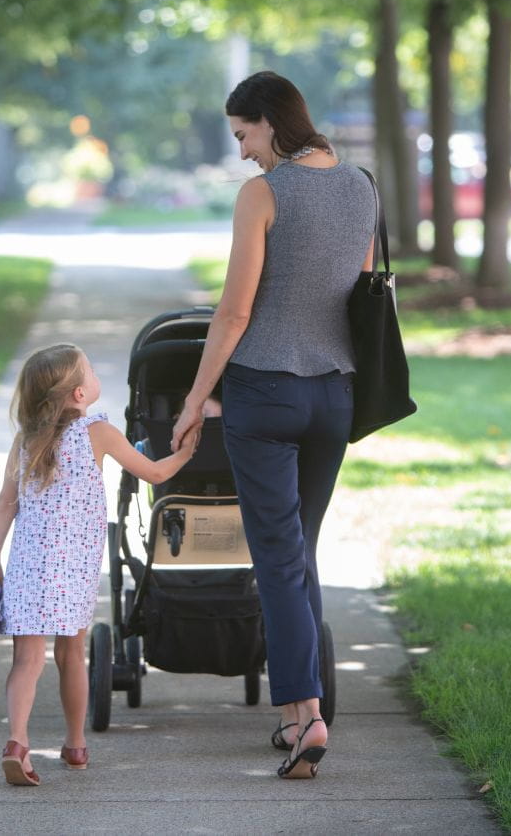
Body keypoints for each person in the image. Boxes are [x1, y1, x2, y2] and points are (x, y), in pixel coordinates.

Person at [171, 70, 377, 780]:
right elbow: (359, 290)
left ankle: (305, 711)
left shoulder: (263, 194)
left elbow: (232, 312)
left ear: (267, 120)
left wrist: (196, 397)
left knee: (279, 562)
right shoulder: (361, 185)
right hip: (334, 397)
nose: (241, 153)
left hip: (264, 395)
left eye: (242, 135)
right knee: (299, 556)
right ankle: (299, 715)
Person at [0, 343, 198, 786]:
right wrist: (188, 451)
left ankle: (18, 742)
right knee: (71, 655)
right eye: (91, 372)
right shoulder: (97, 432)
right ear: (79, 394)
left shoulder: (26, 440)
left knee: (26, 659)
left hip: (27, 565)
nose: (96, 376)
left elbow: (6, 503)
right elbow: (155, 474)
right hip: (72, 570)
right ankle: (76, 744)